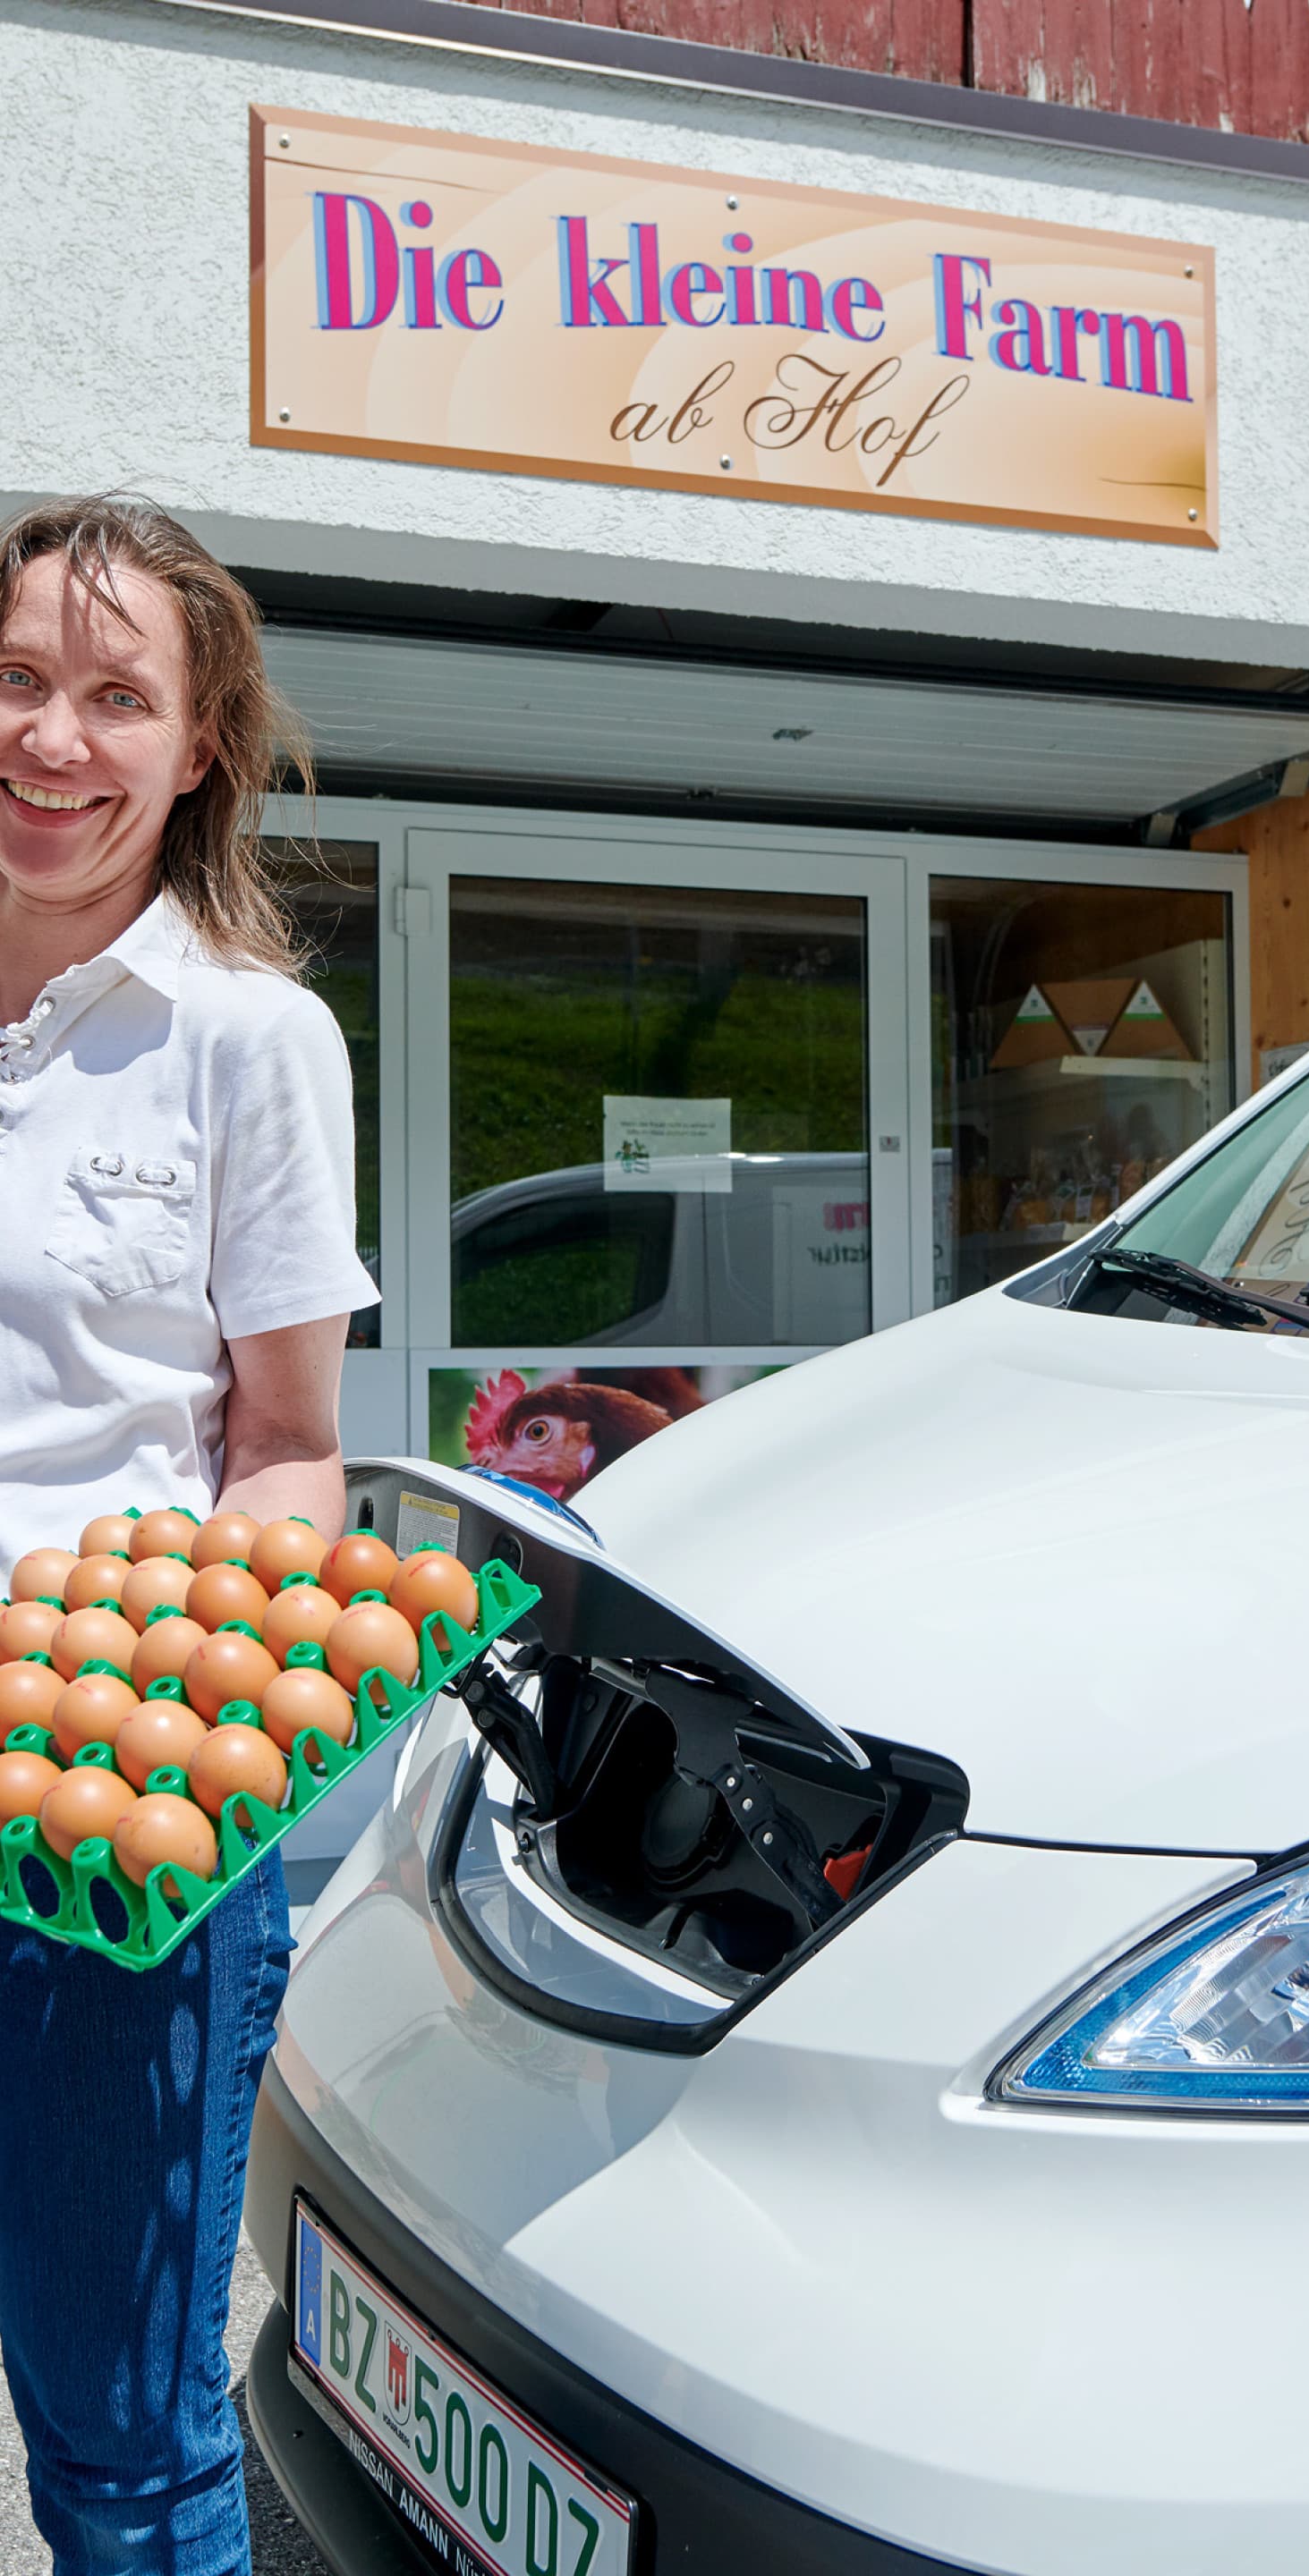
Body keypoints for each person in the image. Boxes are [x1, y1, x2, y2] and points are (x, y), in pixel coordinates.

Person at [0, 494, 375, 2575]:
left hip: (105, 1827)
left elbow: (290, 1448)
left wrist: (167, 1720)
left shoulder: (243, 1036)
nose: (52, 737)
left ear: (198, 741)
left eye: (113, 696)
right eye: (17, 678)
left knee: (121, 2445)